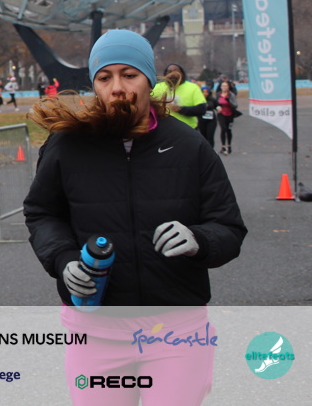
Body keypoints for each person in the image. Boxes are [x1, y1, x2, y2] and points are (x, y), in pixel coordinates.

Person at [23, 29, 246, 405]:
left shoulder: (188, 145)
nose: (117, 88)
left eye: (129, 74)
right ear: (94, 84)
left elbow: (228, 226)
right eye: (104, 77)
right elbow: (42, 213)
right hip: (95, 331)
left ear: (149, 80)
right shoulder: (68, 145)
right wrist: (62, 259)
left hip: (176, 330)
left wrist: (200, 240)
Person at [151, 62, 206, 130]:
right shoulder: (157, 87)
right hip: (162, 129)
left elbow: (202, 109)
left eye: (176, 71)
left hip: (187, 129)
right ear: (165, 74)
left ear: (182, 74)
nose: (172, 74)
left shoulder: (193, 87)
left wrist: (180, 109)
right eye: (169, 72)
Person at [216, 80, 239, 155]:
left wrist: (229, 101)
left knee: (229, 130)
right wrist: (217, 108)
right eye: (223, 86)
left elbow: (235, 105)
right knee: (223, 129)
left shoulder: (231, 95)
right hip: (221, 114)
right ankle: (223, 147)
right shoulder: (218, 94)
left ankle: (229, 146)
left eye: (225, 86)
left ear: (228, 87)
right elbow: (216, 104)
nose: (224, 87)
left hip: (230, 114)